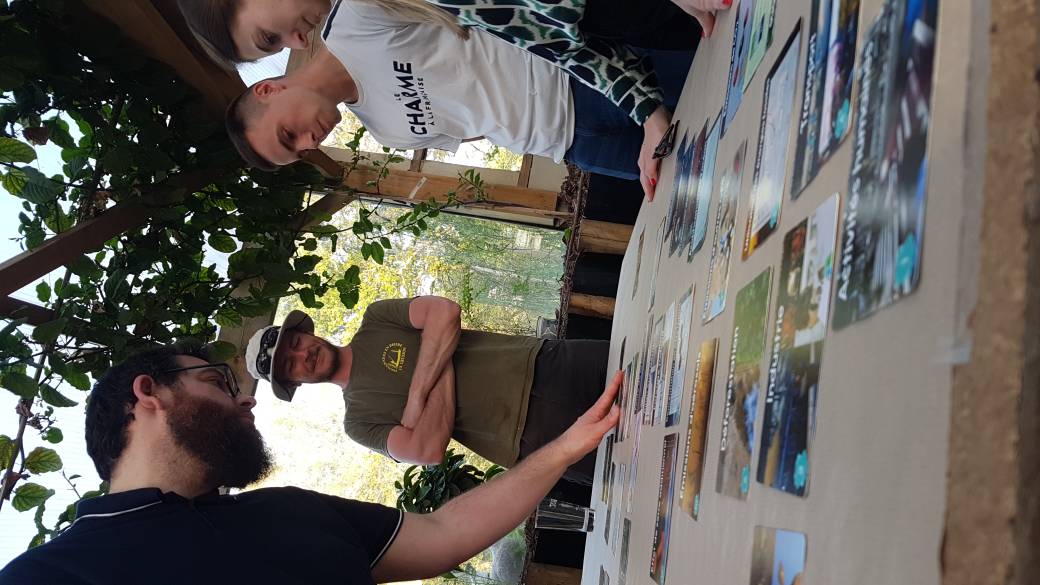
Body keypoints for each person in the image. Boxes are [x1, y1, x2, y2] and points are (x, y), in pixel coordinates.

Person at [0, 341, 621, 584]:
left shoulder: (284, 510)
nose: (246, 399)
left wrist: (567, 448)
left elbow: (441, 534)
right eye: (218, 381)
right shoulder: (54, 575)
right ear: (149, 394)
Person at [180, 0, 726, 198]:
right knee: (710, 177)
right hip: (573, 145)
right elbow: (478, 124)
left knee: (729, 71)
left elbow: (504, 15)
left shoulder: (354, 20)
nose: (308, 142)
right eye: (297, 151)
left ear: (269, 88)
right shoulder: (386, 132)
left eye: (288, 134)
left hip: (581, 74)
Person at [245, 296, 610, 484]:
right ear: (294, 383)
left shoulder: (376, 318)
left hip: (546, 362)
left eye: (296, 342)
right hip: (531, 437)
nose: (303, 355)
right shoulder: (358, 422)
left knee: (643, 361)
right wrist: (436, 350)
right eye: (290, 365)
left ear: (306, 332)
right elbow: (427, 449)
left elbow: (445, 312)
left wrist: (418, 396)